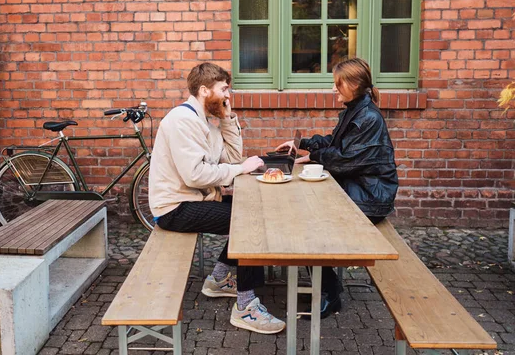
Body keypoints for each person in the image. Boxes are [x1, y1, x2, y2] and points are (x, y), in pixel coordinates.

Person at [149, 62, 286, 334]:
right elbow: (195, 175)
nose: (228, 95)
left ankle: (219, 279)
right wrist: (240, 169)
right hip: (174, 208)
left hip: (195, 200)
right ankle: (245, 307)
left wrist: (228, 117)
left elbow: (233, 159)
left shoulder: (207, 121)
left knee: (255, 209)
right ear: (203, 90)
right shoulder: (182, 121)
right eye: (224, 89)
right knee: (248, 224)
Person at [275, 57, 399, 319]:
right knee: (305, 212)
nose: (334, 89)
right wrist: (305, 143)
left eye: (338, 84)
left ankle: (329, 294)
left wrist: (315, 155)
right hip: (358, 186)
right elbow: (336, 143)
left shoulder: (367, 117)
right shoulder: (356, 110)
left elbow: (343, 160)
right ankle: (326, 286)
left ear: (354, 84)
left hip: (371, 196)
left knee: (308, 224)